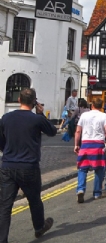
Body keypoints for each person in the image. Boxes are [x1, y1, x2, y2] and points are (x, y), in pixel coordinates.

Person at [0, 88, 56, 241]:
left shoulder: (6, 118)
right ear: (34, 102)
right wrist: (41, 114)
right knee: (34, 200)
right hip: (29, 166)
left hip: (8, 166)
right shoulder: (37, 119)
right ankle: (39, 227)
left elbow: (1, 141)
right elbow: (52, 131)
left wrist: (8, 151)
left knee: (5, 206)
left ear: (19, 100)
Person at [74, 97, 106, 202]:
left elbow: (78, 131)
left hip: (85, 144)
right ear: (102, 106)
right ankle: (97, 193)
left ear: (92, 105)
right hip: (98, 145)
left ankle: (80, 189)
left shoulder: (84, 115)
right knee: (99, 169)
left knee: (82, 168)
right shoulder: (104, 116)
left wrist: (76, 145)